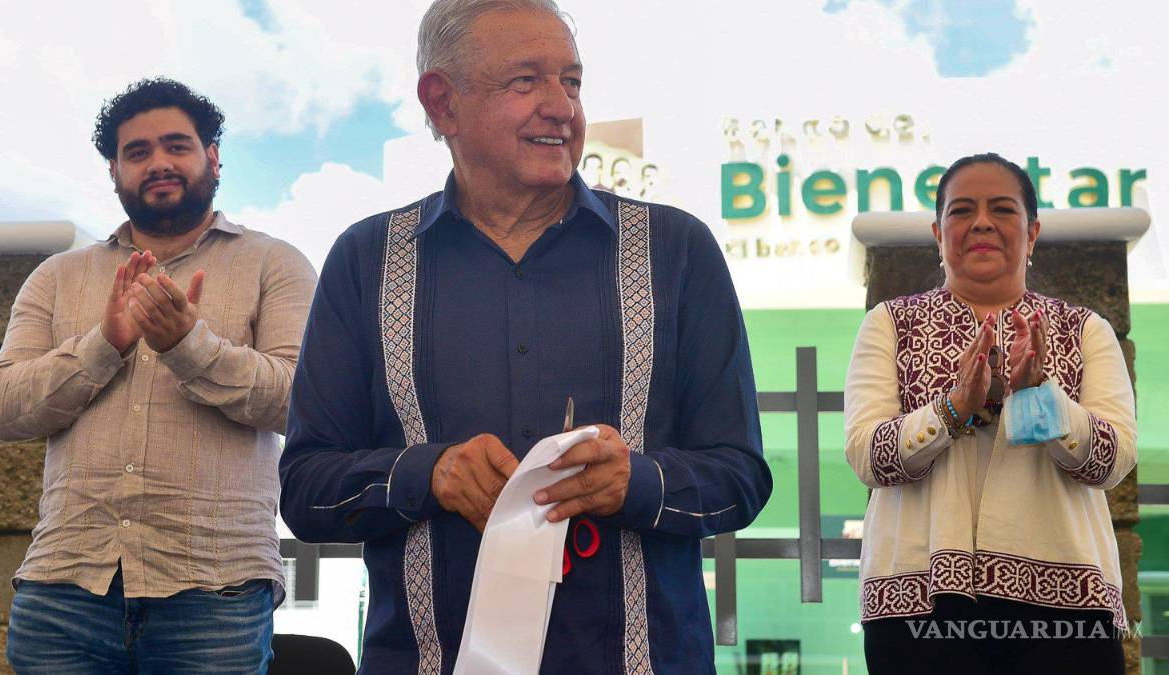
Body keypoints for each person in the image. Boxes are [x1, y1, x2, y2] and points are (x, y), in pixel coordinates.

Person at [278, 1, 772, 673]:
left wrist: (637, 481)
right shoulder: (367, 260)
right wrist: (429, 474)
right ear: (442, 103)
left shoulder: (677, 249)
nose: (562, 108)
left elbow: (740, 477)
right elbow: (306, 489)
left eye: (572, 82)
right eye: (526, 81)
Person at [0, 78, 317, 674]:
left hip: (215, 590)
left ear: (213, 157)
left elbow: (302, 402)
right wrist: (105, 344)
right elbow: (4, 410)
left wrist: (189, 346)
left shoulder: (277, 264)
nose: (158, 162)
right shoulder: (56, 277)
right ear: (114, 171)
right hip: (64, 588)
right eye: (137, 152)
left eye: (176, 145)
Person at [844, 152, 1134, 674]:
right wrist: (954, 408)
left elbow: (1112, 461)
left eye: (1001, 209)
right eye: (961, 211)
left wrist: (1040, 395)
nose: (981, 223)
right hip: (918, 599)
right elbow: (867, 455)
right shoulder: (890, 323)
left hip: (1067, 602)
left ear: (1032, 232)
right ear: (939, 234)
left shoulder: (1085, 328)